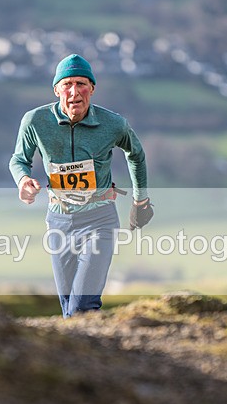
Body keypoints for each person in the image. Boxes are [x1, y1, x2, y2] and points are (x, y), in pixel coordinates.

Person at [9, 54, 153, 317]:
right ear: (56, 90)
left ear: (92, 88)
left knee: (82, 306)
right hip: (58, 221)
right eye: (67, 84)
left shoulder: (113, 124)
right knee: (68, 309)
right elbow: (19, 159)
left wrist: (140, 200)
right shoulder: (35, 121)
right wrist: (23, 180)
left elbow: (136, 154)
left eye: (81, 84)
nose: (74, 92)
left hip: (100, 219)